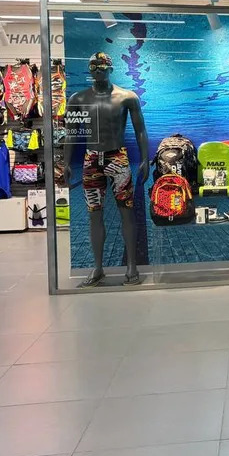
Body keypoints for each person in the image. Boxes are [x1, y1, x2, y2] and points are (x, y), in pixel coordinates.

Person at [62, 52, 149, 286]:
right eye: (93, 67)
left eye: (101, 67)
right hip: (91, 160)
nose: (97, 71)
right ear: (89, 69)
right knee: (94, 214)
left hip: (117, 158)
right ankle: (98, 267)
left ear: (110, 69)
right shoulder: (78, 99)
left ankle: (131, 266)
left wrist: (145, 159)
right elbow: (71, 133)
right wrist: (66, 162)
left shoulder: (127, 97)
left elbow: (140, 130)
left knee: (126, 211)